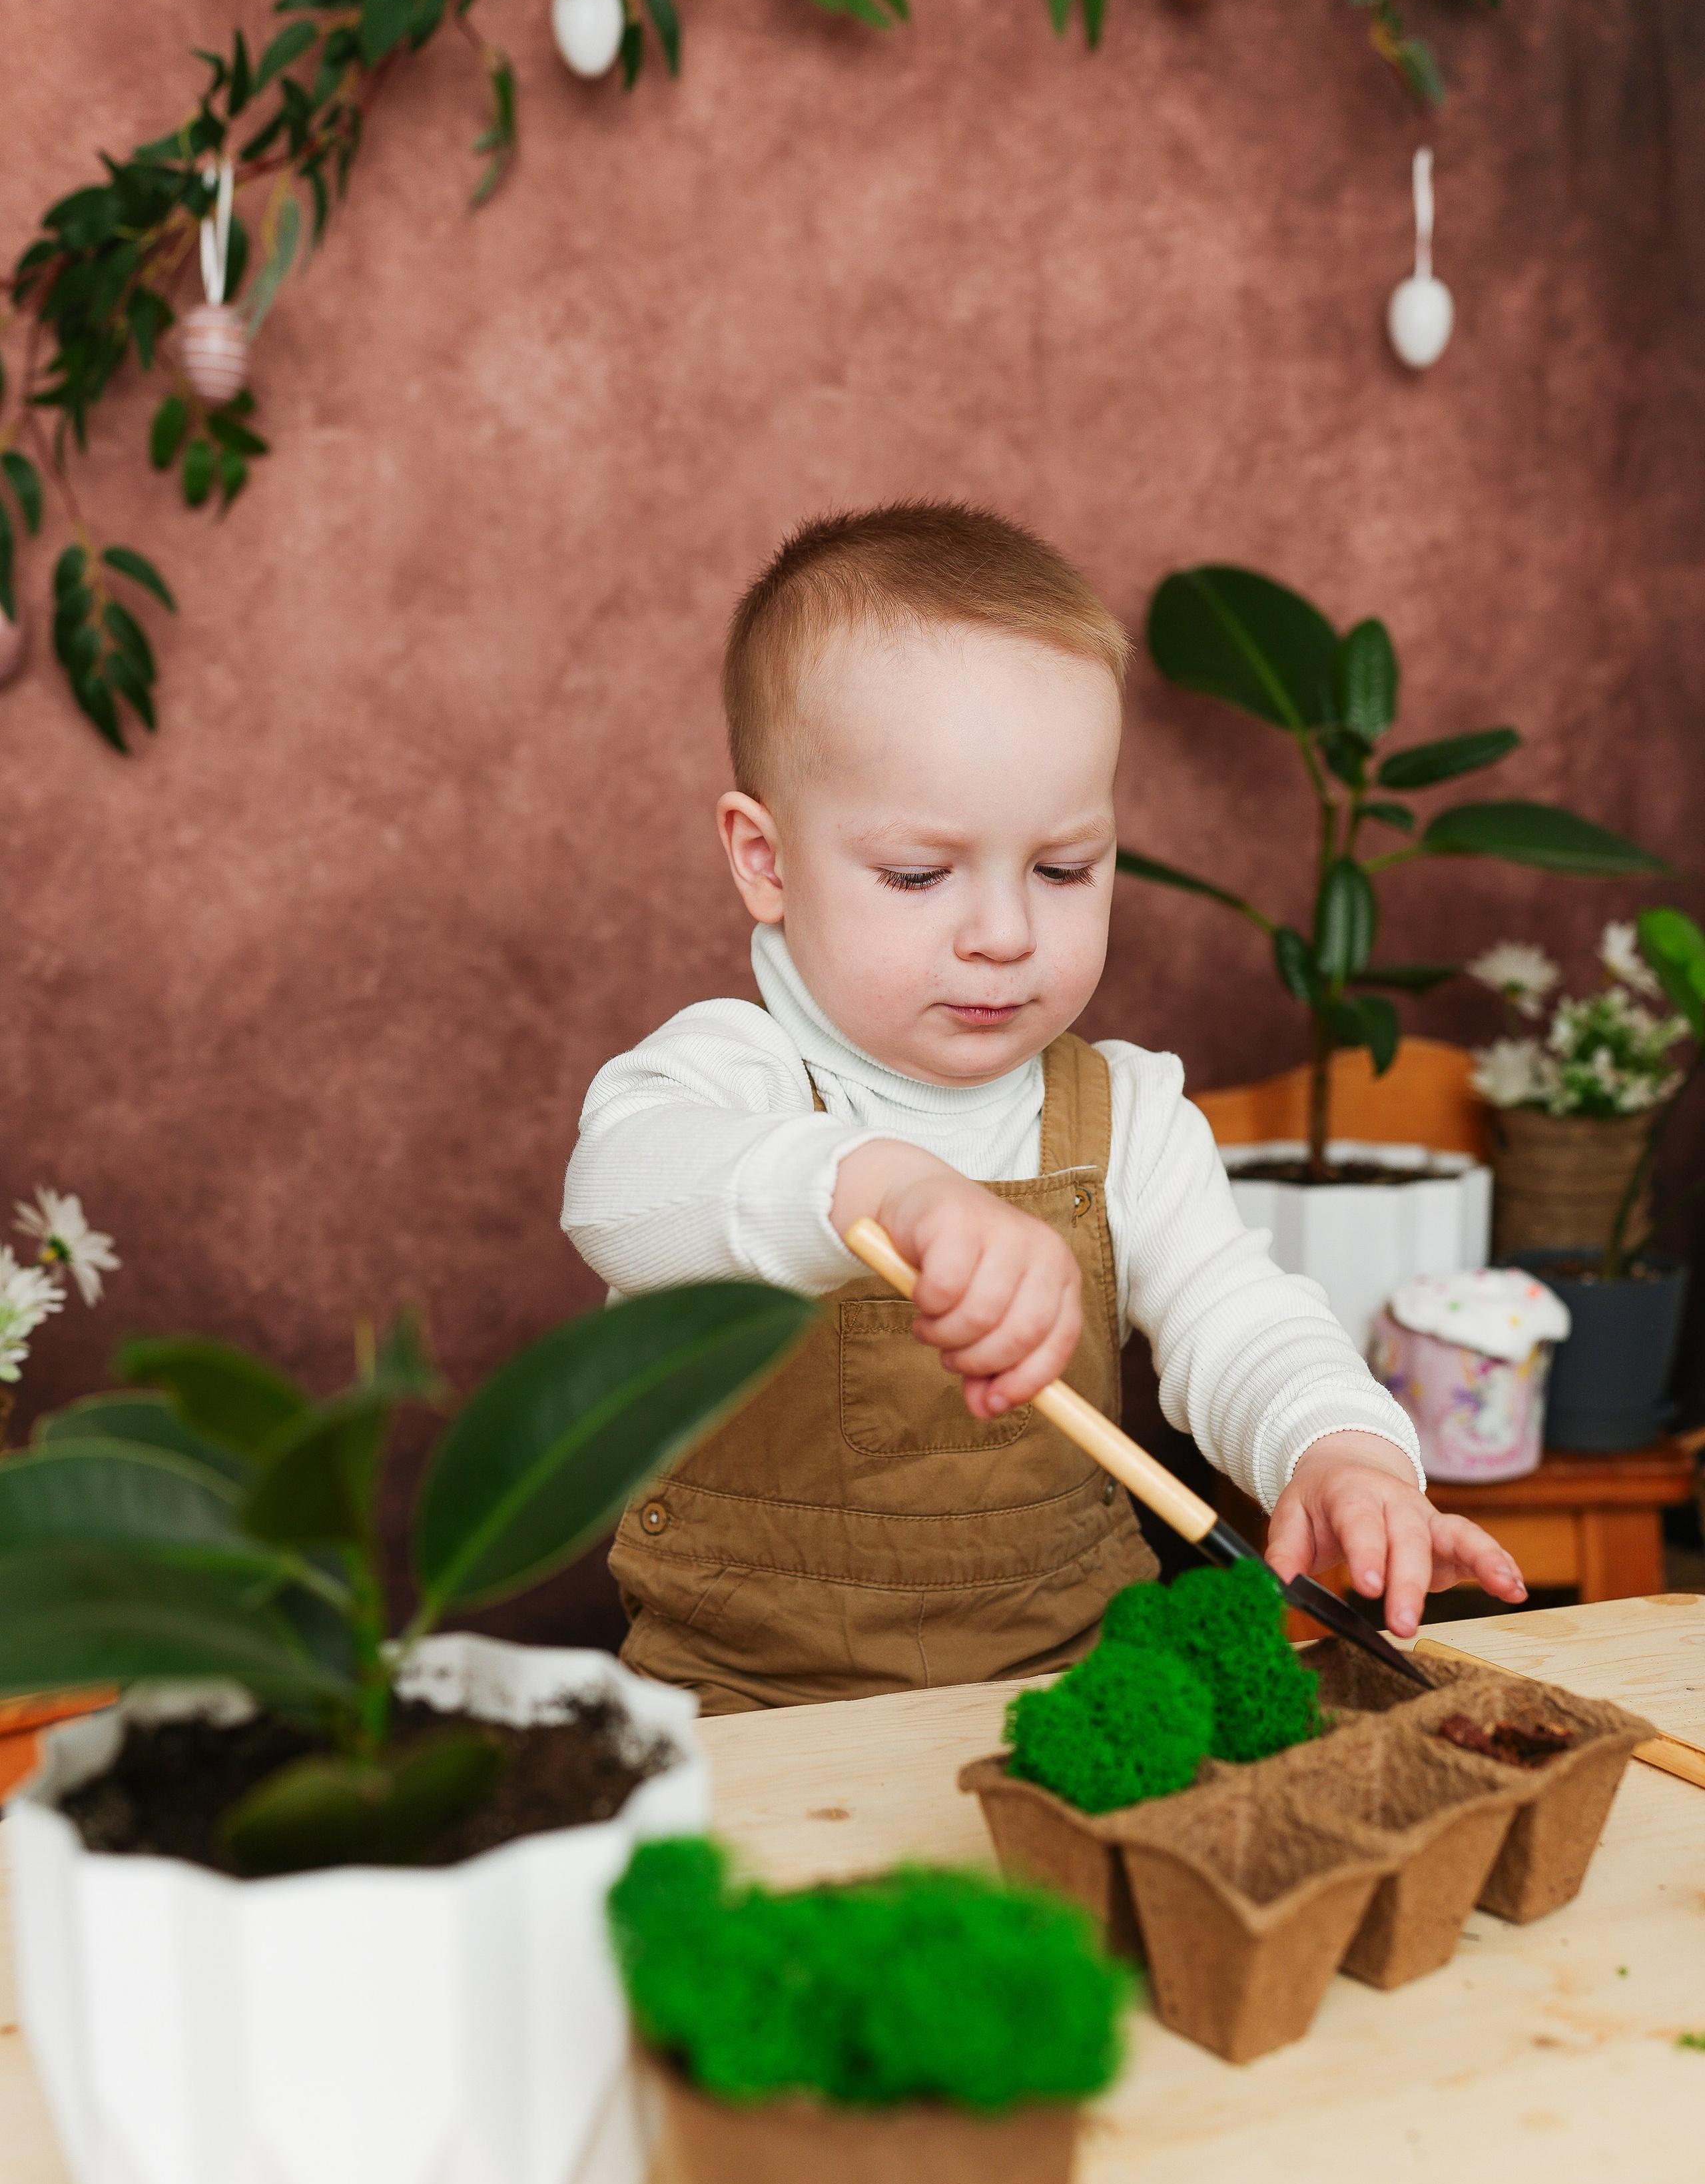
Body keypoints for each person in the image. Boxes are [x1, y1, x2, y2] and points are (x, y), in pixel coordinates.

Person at [561, 502, 1525, 1713]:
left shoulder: (1127, 1111)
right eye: (920, 876)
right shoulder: (725, 1077)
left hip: (1068, 1684)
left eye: (1066, 870)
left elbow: (1243, 1320)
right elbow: (621, 1196)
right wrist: (879, 1187)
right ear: (766, 859)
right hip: (742, 1699)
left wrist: (1340, 1450)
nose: (1007, 935)